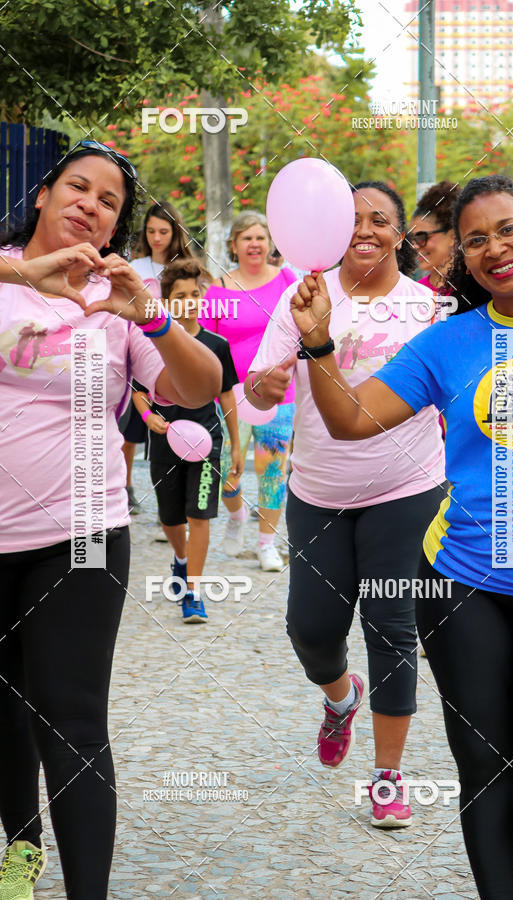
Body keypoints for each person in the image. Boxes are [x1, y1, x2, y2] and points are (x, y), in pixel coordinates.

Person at [285, 173, 513, 897]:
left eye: (508, 229)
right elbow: (351, 421)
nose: (495, 248)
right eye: (476, 239)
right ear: (462, 257)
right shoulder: (447, 343)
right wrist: (320, 344)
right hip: (464, 583)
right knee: (485, 766)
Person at [0, 141, 222, 900]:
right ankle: (21, 848)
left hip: (83, 533)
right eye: (77, 187)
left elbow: (200, 387)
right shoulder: (4, 274)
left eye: (108, 201)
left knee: (72, 717)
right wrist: (21, 274)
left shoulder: (118, 295)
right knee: (5, 705)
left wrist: (152, 320)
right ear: (42, 194)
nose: (90, 203)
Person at [247, 182, 446, 828]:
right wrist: (266, 381)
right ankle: (340, 698)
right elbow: (255, 392)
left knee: (392, 626)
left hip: (407, 490)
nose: (364, 229)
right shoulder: (302, 299)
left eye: (380, 220)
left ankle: (388, 777)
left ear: (400, 236)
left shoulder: (428, 311)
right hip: (319, 492)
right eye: (352, 219)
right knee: (312, 629)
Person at [135, 258, 240, 623]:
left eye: (195, 294)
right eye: (180, 296)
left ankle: (193, 593)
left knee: (199, 515)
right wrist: (151, 417)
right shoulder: (152, 343)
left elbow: (227, 396)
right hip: (164, 442)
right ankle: (180, 560)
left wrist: (237, 445)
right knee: (170, 518)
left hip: (207, 441)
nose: (189, 301)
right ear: (167, 301)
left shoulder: (216, 344)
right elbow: (138, 393)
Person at [199, 211, 298, 572]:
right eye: (247, 238)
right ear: (235, 246)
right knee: (227, 468)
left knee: (273, 469)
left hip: (277, 396)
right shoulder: (218, 289)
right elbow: (206, 345)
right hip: (231, 397)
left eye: (260, 237)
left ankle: (266, 544)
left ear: (269, 244)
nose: (254, 244)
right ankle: (237, 515)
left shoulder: (287, 280)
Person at [122, 201, 198, 514]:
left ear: (174, 232)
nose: (156, 237)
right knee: (131, 429)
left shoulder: (186, 267)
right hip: (140, 353)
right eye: (151, 231)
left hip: (175, 354)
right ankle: (125, 486)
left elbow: (198, 306)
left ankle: (172, 500)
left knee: (173, 427)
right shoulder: (135, 268)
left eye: (163, 231)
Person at [409, 180, 461, 292]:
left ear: (453, 236)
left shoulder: (482, 287)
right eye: (412, 239)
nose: (414, 246)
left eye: (421, 237)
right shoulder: (413, 294)